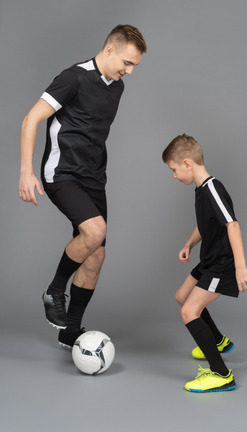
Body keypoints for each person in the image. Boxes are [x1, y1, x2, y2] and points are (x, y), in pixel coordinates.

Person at [19, 25, 147, 349]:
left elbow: (92, 131)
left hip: (93, 177)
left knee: (96, 254)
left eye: (134, 66)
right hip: (62, 172)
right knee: (94, 232)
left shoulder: (116, 88)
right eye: (127, 63)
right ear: (109, 50)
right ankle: (54, 291)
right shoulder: (73, 78)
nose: (129, 72)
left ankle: (70, 331)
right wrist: (25, 171)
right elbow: (31, 119)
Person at [162, 134, 247, 393]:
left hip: (221, 264)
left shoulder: (212, 188)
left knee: (189, 313)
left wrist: (240, 266)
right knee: (182, 296)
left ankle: (222, 374)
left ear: (188, 164)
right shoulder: (201, 189)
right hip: (209, 259)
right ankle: (218, 341)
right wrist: (189, 244)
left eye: (174, 169)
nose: (174, 175)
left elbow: (232, 224)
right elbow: (205, 225)